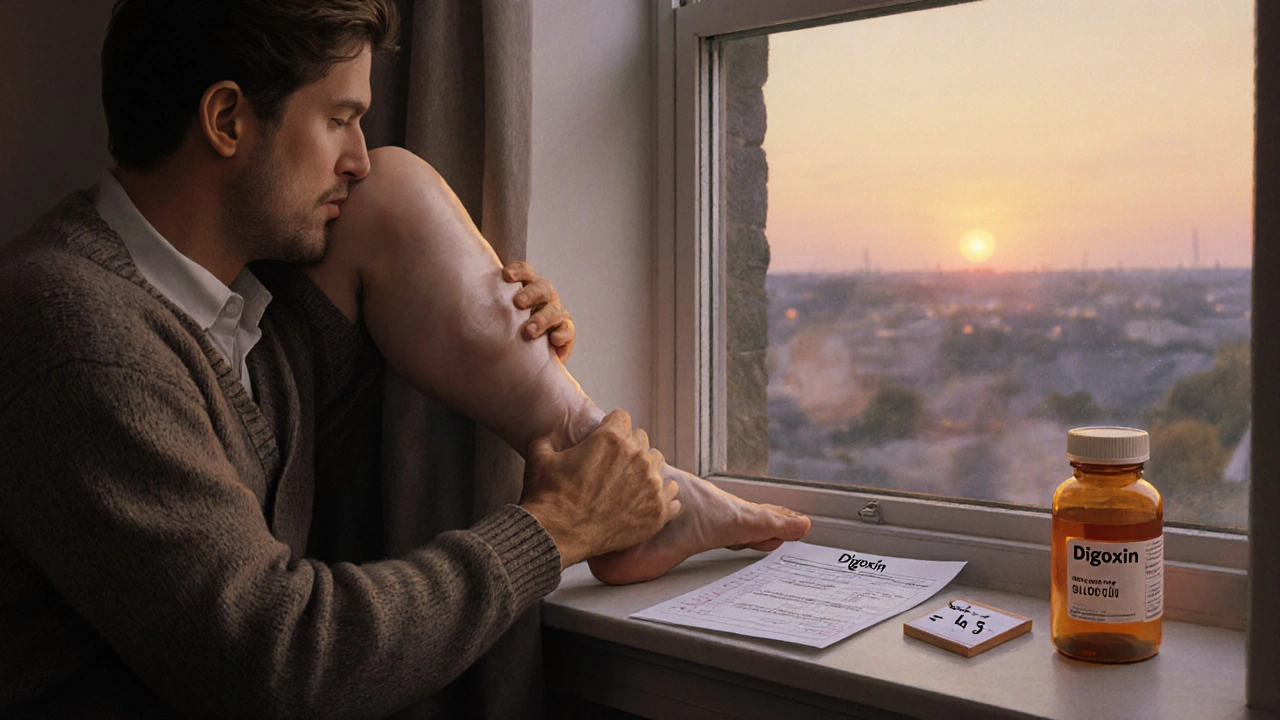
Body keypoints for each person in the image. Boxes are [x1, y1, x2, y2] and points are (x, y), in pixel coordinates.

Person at [0, 0, 808, 717]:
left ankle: (646, 489)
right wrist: (558, 528)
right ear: (227, 120)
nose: (357, 156)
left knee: (393, 190)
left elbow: (393, 207)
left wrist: (517, 335)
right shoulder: (80, 335)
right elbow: (277, 661)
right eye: (339, 119)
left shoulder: (238, 315)